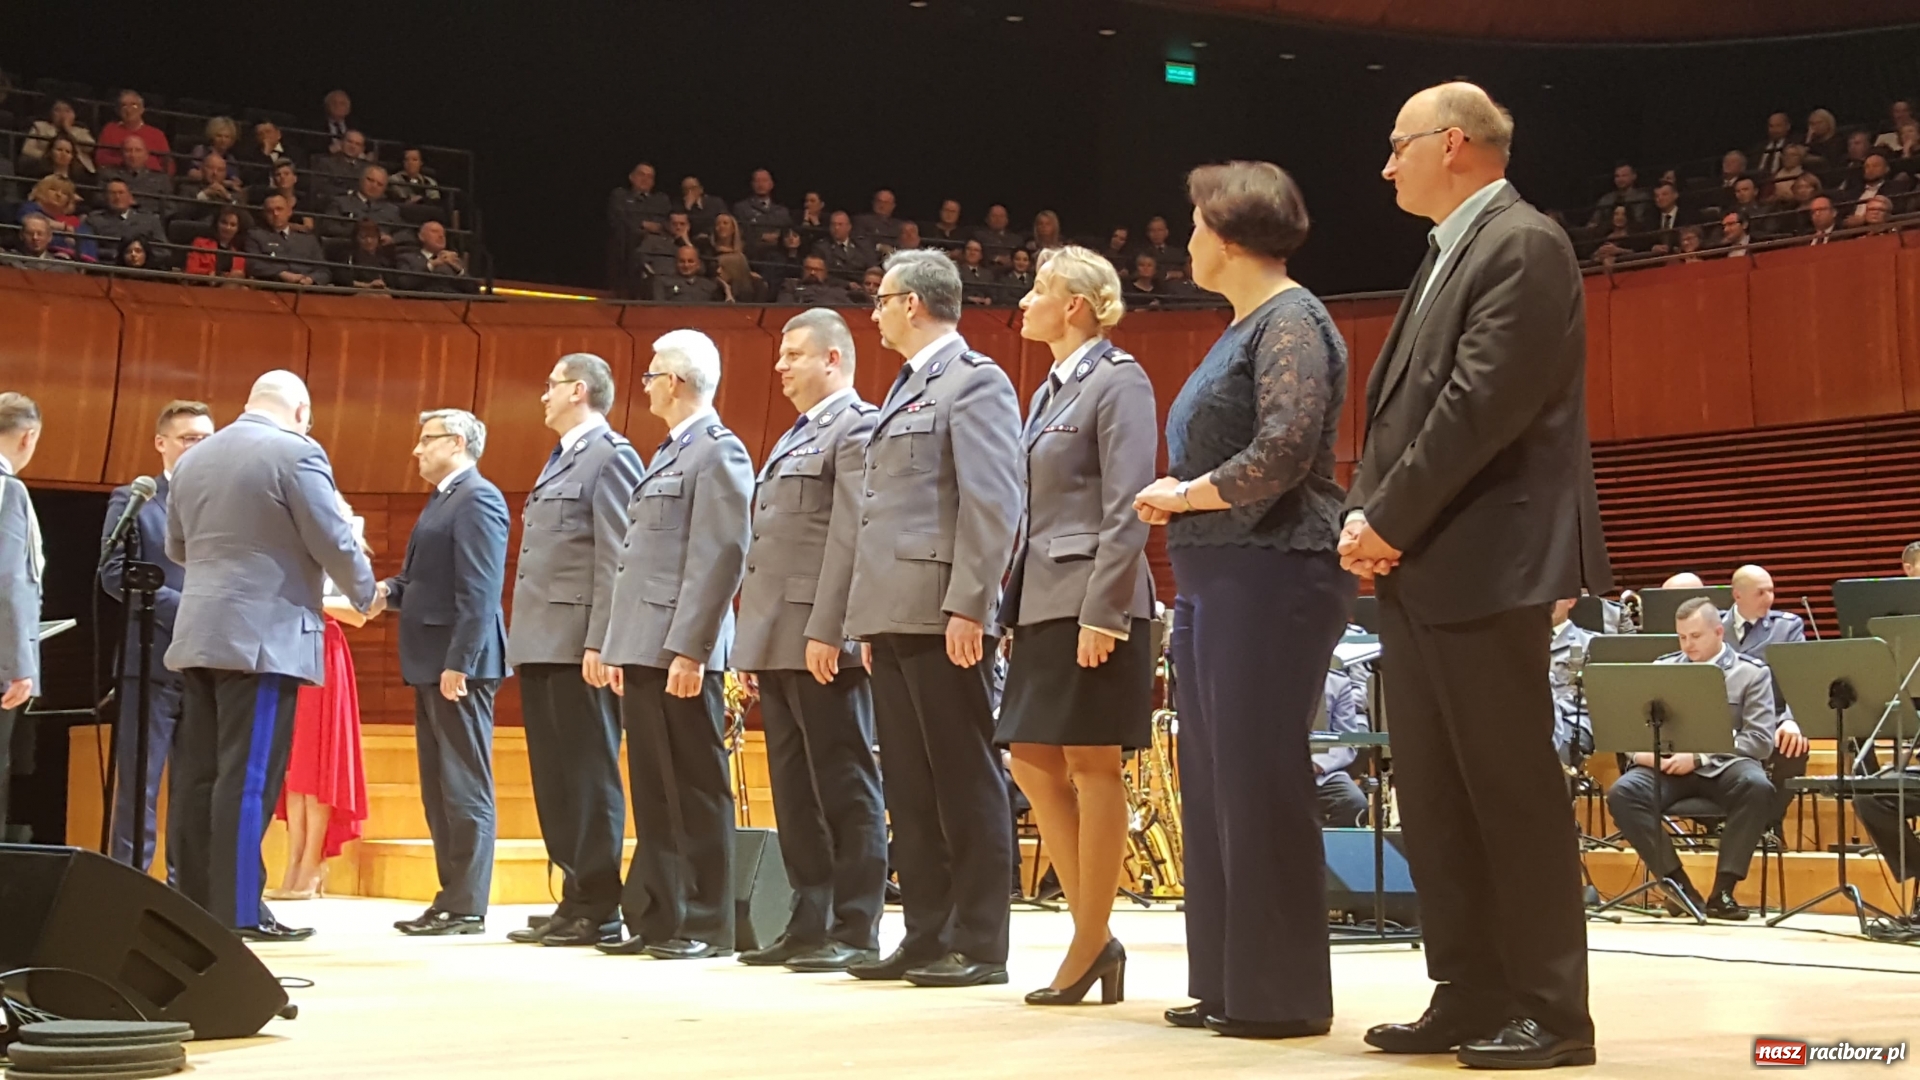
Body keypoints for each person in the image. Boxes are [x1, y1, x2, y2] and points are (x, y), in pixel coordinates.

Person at [1339, 83, 1610, 1069]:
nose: (1387, 165)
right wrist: (1370, 523)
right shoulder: (1454, 249)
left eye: (1397, 145)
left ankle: (1552, 1011)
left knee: (1508, 790)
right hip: (1426, 560)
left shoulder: (1522, 244)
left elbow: (1479, 406)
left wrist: (1385, 519)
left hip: (1488, 558)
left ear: (1452, 144)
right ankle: (1467, 990)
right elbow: (1408, 413)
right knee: (1441, 796)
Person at [1130, 161, 1354, 1040]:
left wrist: (1181, 495)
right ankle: (1229, 979)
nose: (1184, 241)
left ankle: (1282, 992)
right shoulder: (1242, 326)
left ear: (1226, 236)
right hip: (1220, 573)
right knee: (1216, 778)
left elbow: (1285, 450)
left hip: (1275, 570)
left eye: (1192, 226)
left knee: (1259, 778)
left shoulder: (1293, 318)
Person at [842, 249, 1023, 987]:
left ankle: (980, 941)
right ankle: (924, 930)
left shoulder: (974, 383)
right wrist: (867, 619)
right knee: (911, 785)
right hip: (893, 614)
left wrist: (971, 606)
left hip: (944, 614)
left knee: (964, 777)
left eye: (881, 299)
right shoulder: (905, 390)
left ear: (913, 304)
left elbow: (993, 503)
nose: (875, 312)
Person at [164, 370, 375, 941]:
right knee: (249, 777)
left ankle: (193, 908)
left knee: (200, 776)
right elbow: (332, 536)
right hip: (263, 639)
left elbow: (176, 547)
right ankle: (236, 912)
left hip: (198, 633)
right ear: (301, 410)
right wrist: (364, 592)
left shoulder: (193, 460)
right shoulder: (295, 452)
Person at [1000, 246, 1156, 1006]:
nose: (1023, 301)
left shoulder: (1118, 380)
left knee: (1092, 764)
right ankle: (1095, 933)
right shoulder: (1050, 392)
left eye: (1039, 289)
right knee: (1029, 761)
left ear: (1078, 306)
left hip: (1094, 600)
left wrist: (1106, 610)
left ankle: (1089, 940)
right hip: (1042, 602)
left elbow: (1127, 501)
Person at [730, 309, 888, 972]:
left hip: (821, 637)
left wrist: (833, 627)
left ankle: (856, 923)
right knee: (794, 786)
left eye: (794, 354)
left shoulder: (856, 426)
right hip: (778, 636)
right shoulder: (795, 435)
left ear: (833, 359)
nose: (781, 365)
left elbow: (852, 535)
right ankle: (809, 915)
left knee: (843, 781)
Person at [597, 330, 753, 961]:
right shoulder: (670, 452)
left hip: (680, 650)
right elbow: (640, 561)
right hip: (642, 645)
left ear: (678, 382)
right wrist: (617, 646)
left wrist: (692, 648)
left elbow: (720, 556)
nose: (648, 386)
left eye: (653, 375)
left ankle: (707, 919)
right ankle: (662, 913)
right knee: (654, 787)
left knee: (693, 784)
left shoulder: (719, 452)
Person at [504, 354, 643, 947]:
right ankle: (573, 892)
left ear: (578, 391)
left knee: (587, 775)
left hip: (578, 644)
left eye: (551, 385)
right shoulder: (562, 459)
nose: (543, 396)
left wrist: (603, 641)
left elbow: (617, 553)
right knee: (554, 777)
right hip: (540, 641)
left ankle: (598, 901)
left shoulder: (610, 455)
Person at [381, 410, 510, 937]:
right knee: (439, 788)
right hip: (431, 663)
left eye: (426, 440)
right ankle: (449, 897)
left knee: (464, 786)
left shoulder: (478, 497)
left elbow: (480, 590)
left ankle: (467, 905)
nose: (417, 449)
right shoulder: (442, 500)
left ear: (456, 442)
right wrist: (379, 594)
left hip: (459, 665)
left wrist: (461, 659)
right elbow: (420, 581)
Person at [1606, 598, 1777, 921]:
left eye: (1695, 636)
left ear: (1718, 632)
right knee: (1623, 793)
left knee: (1758, 787)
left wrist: (1698, 757)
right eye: (1682, 637)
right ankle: (1678, 886)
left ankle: (1723, 892)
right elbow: (1632, 728)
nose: (1688, 645)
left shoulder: (1751, 674)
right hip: (1668, 767)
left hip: (1726, 766)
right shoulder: (1662, 669)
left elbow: (1759, 740)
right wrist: (1640, 753)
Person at [100, 402, 213, 876]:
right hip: (150, 660)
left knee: (198, 786)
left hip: (210, 665)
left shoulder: (224, 504)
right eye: (189, 438)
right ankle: (126, 887)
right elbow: (113, 573)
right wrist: (183, 608)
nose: (199, 447)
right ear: (161, 443)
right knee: (138, 787)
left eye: (207, 439)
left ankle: (187, 891)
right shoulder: (136, 500)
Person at [269, 493, 372, 901]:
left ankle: (313, 864)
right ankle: (293, 863)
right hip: (291, 650)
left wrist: (315, 601)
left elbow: (360, 613)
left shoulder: (347, 553)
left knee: (318, 767)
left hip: (325, 653)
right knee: (295, 772)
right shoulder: (295, 549)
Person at [0, 395, 43, 839]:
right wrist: (19, 668)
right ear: (28, 437)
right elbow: (10, 581)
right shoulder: (9, 490)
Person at [1314, 671, 1371, 826]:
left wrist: (1317, 765)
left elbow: (1346, 741)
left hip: (1320, 770)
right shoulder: (1268, 678)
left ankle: (1323, 848)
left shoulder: (1337, 682)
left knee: (1355, 803)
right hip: (1274, 770)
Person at [247, 194, 332, 286]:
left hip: (306, 289)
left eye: (279, 209)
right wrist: (281, 274)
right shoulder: (255, 235)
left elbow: (324, 270)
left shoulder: (308, 239)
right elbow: (253, 265)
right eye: (270, 211)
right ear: (264, 214)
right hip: (272, 286)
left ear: (289, 211)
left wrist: (310, 279)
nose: (275, 214)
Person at [85, 180, 167, 268]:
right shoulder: (94, 220)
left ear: (130, 197)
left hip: (145, 270)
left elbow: (164, 251)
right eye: (112, 193)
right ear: (105, 197)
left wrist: (143, 256)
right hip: (107, 267)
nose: (117, 197)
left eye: (121, 193)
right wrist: (117, 254)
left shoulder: (150, 220)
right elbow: (87, 249)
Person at [96, 91, 173, 174]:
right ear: (118, 111)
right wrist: (128, 162)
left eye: (134, 105)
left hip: (150, 178)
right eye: (124, 106)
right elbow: (101, 158)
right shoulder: (110, 129)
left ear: (142, 109)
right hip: (118, 175)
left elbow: (168, 165)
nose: (129, 110)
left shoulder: (157, 134)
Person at [395, 221, 476, 294]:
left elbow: (472, 289)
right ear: (421, 236)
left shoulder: (453, 260)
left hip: (454, 303)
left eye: (443, 234)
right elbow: (404, 283)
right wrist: (432, 264)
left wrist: (458, 270)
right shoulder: (407, 258)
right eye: (435, 232)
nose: (441, 236)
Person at [19, 100, 97, 175]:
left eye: (67, 111)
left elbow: (90, 147)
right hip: (46, 166)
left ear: (74, 115)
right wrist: (50, 156)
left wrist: (68, 129)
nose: (62, 114)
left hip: (76, 169)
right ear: (51, 114)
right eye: (58, 110)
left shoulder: (81, 131)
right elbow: (27, 150)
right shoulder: (40, 126)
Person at [186, 207, 250, 281]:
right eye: (224, 223)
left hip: (229, 287)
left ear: (237, 229)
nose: (227, 228)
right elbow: (190, 270)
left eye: (233, 225)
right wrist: (210, 273)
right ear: (216, 224)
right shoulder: (200, 243)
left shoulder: (239, 257)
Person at [650, 245, 723, 303]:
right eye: (682, 261)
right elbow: (659, 308)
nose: (686, 265)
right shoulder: (662, 282)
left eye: (690, 261)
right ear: (676, 263)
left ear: (698, 264)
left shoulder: (710, 286)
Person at [347, 220, 396, 290]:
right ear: (356, 238)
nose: (369, 241)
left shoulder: (384, 258)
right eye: (363, 237)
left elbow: (392, 283)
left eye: (373, 236)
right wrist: (368, 285)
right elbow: (345, 280)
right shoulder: (350, 256)